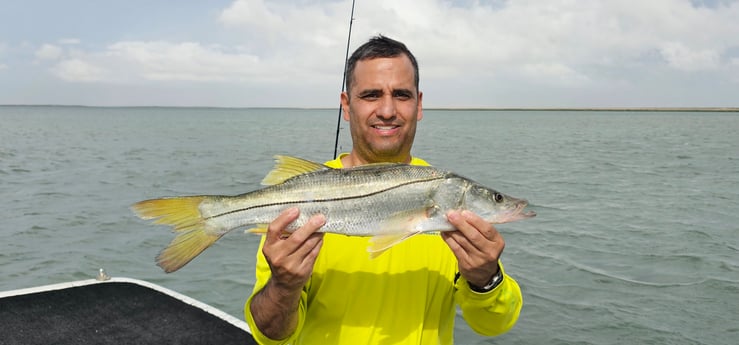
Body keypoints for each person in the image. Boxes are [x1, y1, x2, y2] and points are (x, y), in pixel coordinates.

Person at [244, 35, 522, 344]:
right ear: (347, 106)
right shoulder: (300, 198)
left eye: (401, 95)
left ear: (419, 105)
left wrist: (487, 278)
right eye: (371, 95)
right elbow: (269, 334)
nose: (387, 110)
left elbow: (494, 325)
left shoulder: (453, 206)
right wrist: (284, 287)